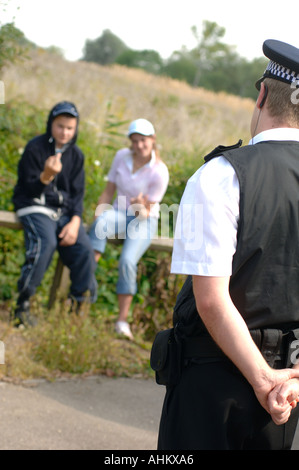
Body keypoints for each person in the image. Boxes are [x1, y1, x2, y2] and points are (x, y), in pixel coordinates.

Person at [156, 40, 299, 450]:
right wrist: (288, 380)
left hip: (213, 383)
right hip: (287, 393)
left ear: (261, 96)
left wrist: (261, 379)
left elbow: (212, 301)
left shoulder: (220, 176)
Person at [12, 101, 97, 326]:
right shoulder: (35, 148)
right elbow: (27, 188)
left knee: (84, 250)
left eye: (70, 128)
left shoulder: (76, 155)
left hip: (64, 214)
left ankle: (76, 308)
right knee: (46, 243)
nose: (64, 132)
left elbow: (78, 195)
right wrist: (46, 176)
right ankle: (22, 304)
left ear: (75, 129)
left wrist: (76, 221)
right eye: (60, 126)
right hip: (34, 205)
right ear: (51, 124)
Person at [89, 119, 169, 340]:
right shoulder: (120, 157)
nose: (139, 145)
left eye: (143, 140)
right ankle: (86, 281)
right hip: (117, 212)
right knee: (99, 225)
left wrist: (138, 206)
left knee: (127, 261)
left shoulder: (159, 172)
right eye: (134, 141)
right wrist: (98, 215)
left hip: (143, 219)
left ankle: (122, 321)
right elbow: (108, 191)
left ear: (152, 140)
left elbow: (146, 212)